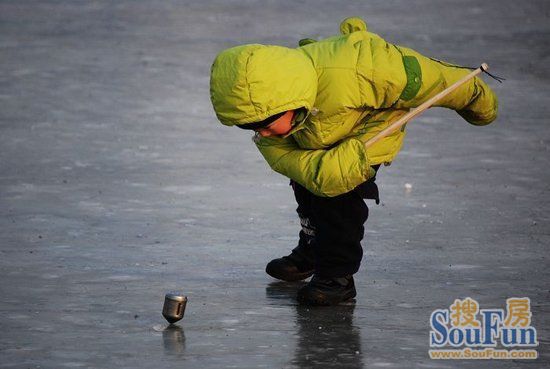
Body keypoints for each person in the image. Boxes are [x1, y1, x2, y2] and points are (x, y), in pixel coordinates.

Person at [209, 17, 498, 306]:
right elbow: (284, 157)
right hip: (319, 134)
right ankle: (312, 250)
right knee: (307, 187)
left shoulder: (363, 70)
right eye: (248, 127)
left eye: (265, 124)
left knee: (337, 195)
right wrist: (313, 172)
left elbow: (430, 78)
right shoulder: (271, 114)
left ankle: (337, 277)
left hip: (369, 132)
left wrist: (474, 96)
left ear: (289, 101)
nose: (260, 133)